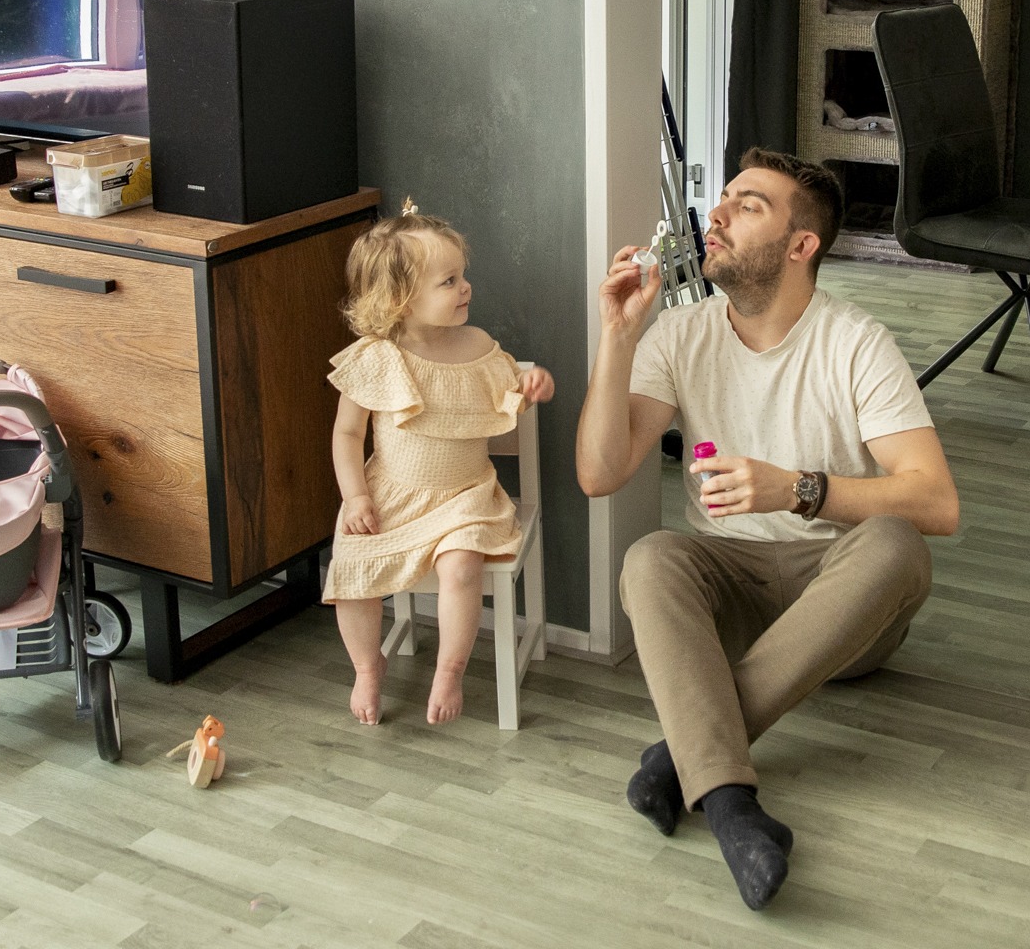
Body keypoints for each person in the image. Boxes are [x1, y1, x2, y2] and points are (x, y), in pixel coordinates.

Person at [577, 147, 961, 910]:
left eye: (748, 204)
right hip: (732, 596)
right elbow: (598, 472)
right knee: (651, 557)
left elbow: (938, 504)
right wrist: (617, 337)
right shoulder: (679, 335)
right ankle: (731, 806)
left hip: (842, 604)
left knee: (896, 543)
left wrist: (798, 490)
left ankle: (684, 759)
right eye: (722, 199)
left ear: (800, 245)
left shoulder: (855, 342)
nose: (715, 214)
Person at [323, 203, 555, 726]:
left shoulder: (477, 346)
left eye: (462, 275)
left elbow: (509, 391)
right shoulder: (376, 357)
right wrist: (355, 495)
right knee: (353, 569)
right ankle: (366, 665)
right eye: (449, 281)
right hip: (391, 494)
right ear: (400, 299)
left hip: (465, 496)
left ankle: (449, 670)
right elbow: (347, 433)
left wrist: (532, 384)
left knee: (462, 566)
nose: (466, 287)